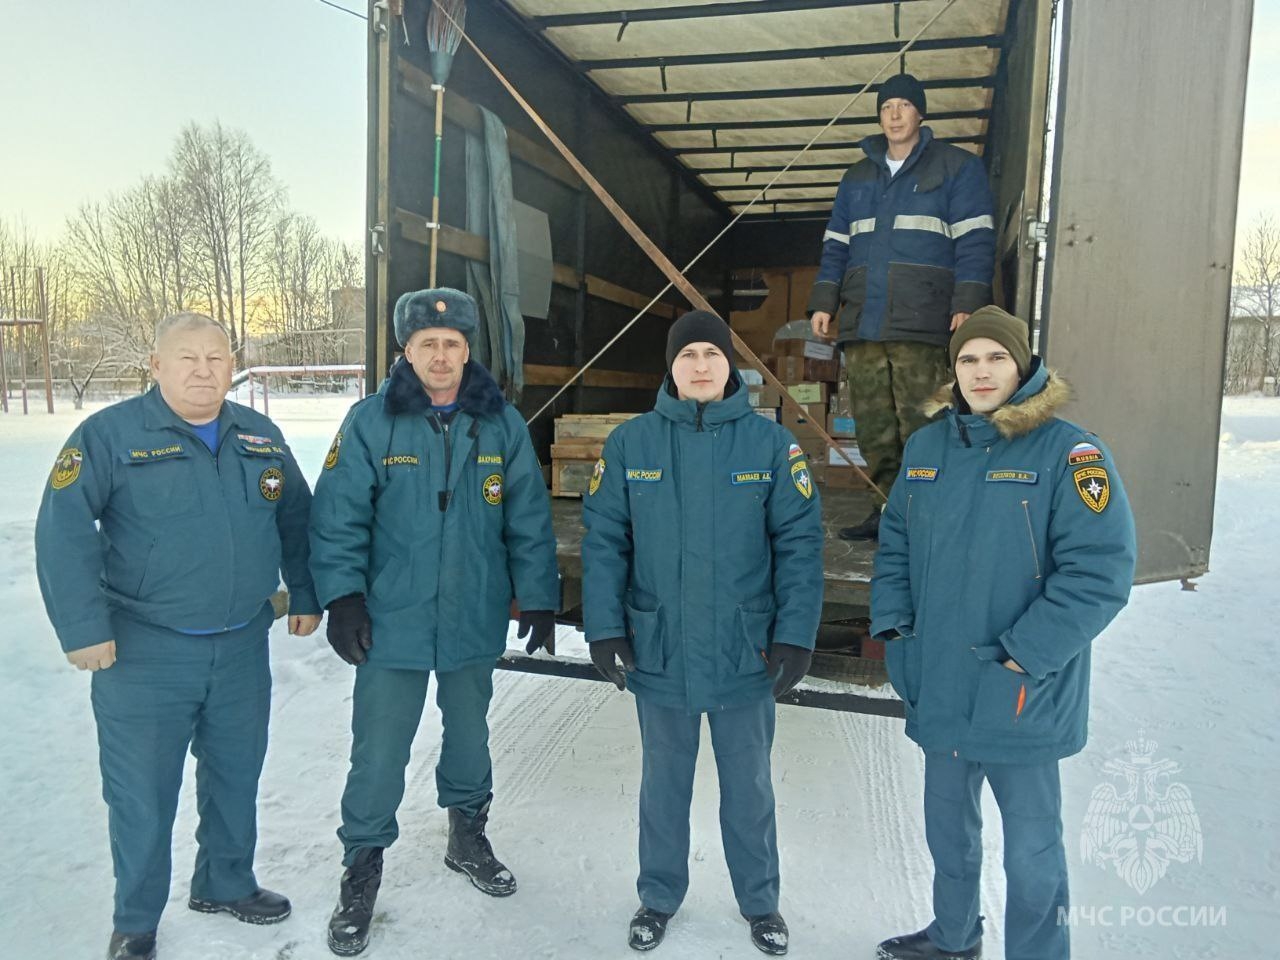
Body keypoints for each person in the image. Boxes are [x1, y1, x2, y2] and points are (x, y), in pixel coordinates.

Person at [34, 312, 321, 960]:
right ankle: (135, 920)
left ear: (232, 365)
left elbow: (297, 518)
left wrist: (303, 592)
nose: (202, 370)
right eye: (186, 357)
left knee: (236, 775)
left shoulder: (259, 435)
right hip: (144, 652)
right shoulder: (110, 436)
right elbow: (63, 531)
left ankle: (224, 883)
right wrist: (83, 628)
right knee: (142, 790)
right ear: (155, 366)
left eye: (216, 358)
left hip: (242, 644)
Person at [869, 306, 1137, 960]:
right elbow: (896, 542)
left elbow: (1101, 571)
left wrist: (1023, 657)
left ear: (1021, 365)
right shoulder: (927, 447)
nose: (981, 372)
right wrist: (897, 631)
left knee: (1033, 851)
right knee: (948, 836)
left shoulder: (1068, 450)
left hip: (1021, 692)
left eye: (995, 358)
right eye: (968, 359)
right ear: (952, 369)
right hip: (940, 684)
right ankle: (953, 939)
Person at [309, 287, 560, 957]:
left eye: (452, 345)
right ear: (407, 352)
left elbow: (528, 517)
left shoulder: (500, 424)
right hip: (391, 621)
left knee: (471, 732)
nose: (441, 357)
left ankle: (467, 835)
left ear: (468, 350)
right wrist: (344, 599)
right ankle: (361, 868)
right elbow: (338, 517)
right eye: (428, 346)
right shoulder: (371, 422)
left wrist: (538, 595)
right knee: (380, 748)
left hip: (473, 615)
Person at [582, 310, 824, 957]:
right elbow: (605, 543)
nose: (699, 366)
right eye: (687, 355)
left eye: (710, 356)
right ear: (671, 366)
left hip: (745, 651)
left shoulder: (770, 446)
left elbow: (799, 546)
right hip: (659, 649)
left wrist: (796, 635)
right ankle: (658, 897)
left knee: (748, 788)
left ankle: (760, 903)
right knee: (664, 785)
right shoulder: (632, 444)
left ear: (730, 365)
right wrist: (605, 628)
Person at [808, 72, 996, 541]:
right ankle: (888, 512)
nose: (894, 114)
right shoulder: (857, 177)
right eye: (886, 106)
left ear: (921, 113)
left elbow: (976, 240)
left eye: (904, 106)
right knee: (874, 428)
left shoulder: (956, 167)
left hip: (924, 320)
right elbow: (835, 245)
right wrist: (824, 301)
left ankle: (930, 515)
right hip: (863, 323)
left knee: (926, 423)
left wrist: (968, 301)